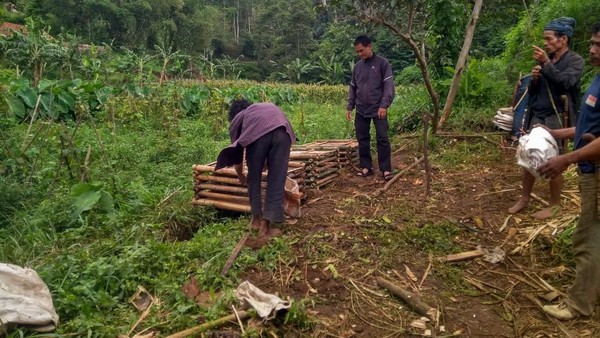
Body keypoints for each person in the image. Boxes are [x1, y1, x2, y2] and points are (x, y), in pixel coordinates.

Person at [537, 23, 600, 320]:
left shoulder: (573, 65)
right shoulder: (598, 77)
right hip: (589, 164)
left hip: (594, 171)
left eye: (599, 44)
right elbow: (588, 128)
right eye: (592, 43)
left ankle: (579, 304)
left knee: (586, 238)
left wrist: (568, 159)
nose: (592, 49)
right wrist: (557, 133)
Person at [508, 17, 584, 220]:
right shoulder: (545, 61)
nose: (546, 43)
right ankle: (524, 198)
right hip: (537, 116)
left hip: (557, 118)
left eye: (549, 39)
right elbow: (535, 93)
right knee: (528, 155)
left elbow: (566, 83)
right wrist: (533, 81)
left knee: (554, 160)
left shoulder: (575, 60)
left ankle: (555, 204)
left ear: (563, 39)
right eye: (545, 39)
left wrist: (546, 64)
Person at [215, 99, 296, 240]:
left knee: (253, 176)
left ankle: (255, 220)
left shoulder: (238, 118)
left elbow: (237, 158)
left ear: (234, 115)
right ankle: (265, 227)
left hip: (261, 135)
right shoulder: (262, 108)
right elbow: (271, 134)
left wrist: (241, 176)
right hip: (283, 132)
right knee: (277, 179)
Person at [345, 35, 395, 181]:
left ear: (369, 46)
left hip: (378, 108)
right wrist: (350, 106)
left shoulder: (382, 64)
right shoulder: (358, 67)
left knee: (382, 138)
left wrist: (384, 105)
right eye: (357, 52)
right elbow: (353, 87)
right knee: (362, 138)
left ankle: (386, 169)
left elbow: (388, 86)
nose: (360, 54)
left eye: (361, 50)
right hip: (361, 109)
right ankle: (366, 167)